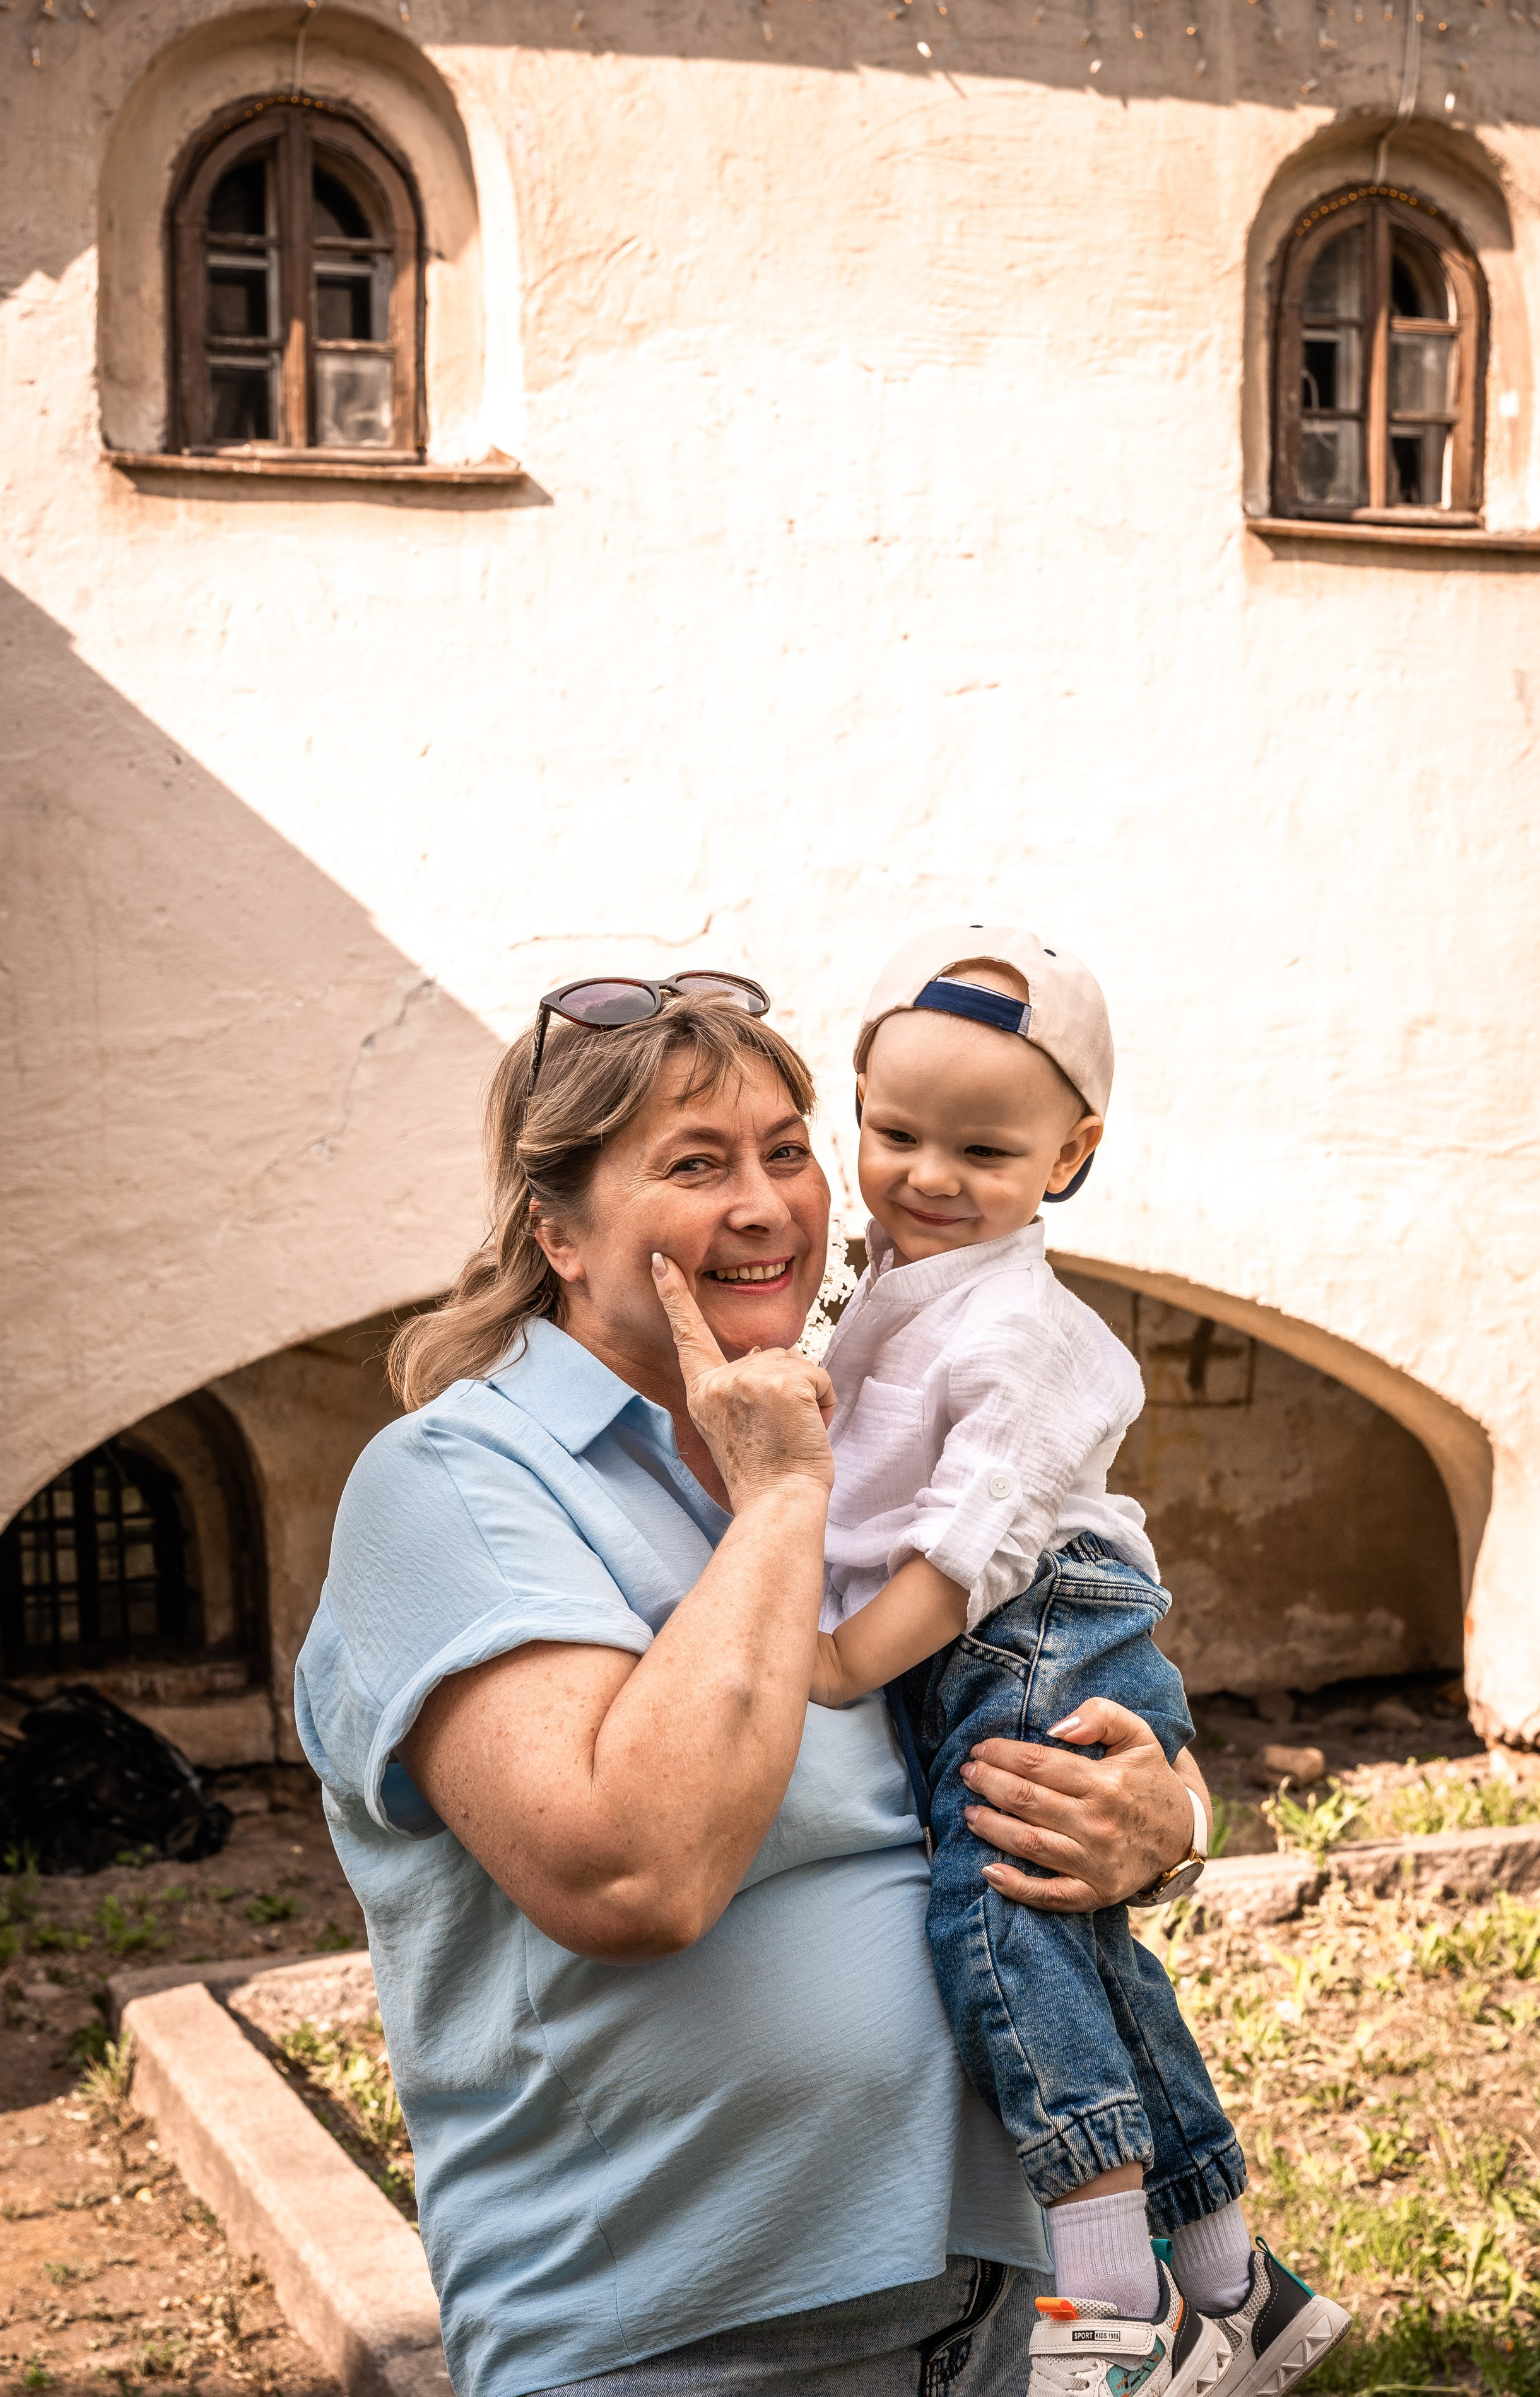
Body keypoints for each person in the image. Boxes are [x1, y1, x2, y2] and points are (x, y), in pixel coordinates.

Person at [294, 973, 1221, 2397]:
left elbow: (1034, 1696)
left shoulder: (863, 1424)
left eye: (787, 1148)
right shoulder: (454, 1482)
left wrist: (1164, 1827)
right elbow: (628, 1878)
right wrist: (782, 1493)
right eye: (694, 1163)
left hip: (1008, 2309)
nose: (766, 1204)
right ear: (556, 1230)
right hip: (678, 2335)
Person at [811, 926, 1352, 2397]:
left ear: (1070, 1153)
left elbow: (968, 1542)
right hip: (994, 1615)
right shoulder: (891, 1285)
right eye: (891, 1131)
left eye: (981, 1147)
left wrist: (835, 1666)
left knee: (1000, 1899)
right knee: (1089, 1943)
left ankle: (1109, 2296)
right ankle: (1234, 2273)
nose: (926, 1173)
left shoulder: (1018, 1322)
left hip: (1029, 1612)